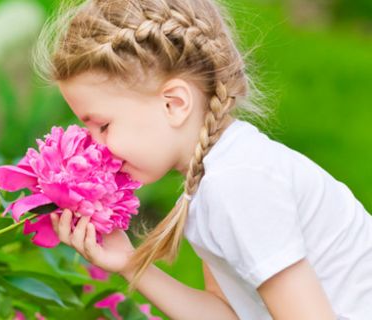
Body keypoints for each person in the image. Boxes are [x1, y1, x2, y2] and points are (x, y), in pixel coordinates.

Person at [32, 0, 372, 319]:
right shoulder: (213, 179)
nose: (97, 148)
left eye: (103, 126)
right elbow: (229, 312)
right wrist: (130, 264)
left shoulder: (237, 184)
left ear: (175, 103)